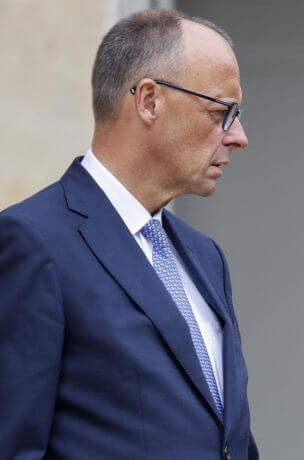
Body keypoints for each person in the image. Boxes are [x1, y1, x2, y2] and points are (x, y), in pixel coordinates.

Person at [0, 10, 257, 460]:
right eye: (222, 112)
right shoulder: (33, 242)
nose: (239, 136)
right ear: (150, 101)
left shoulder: (206, 257)